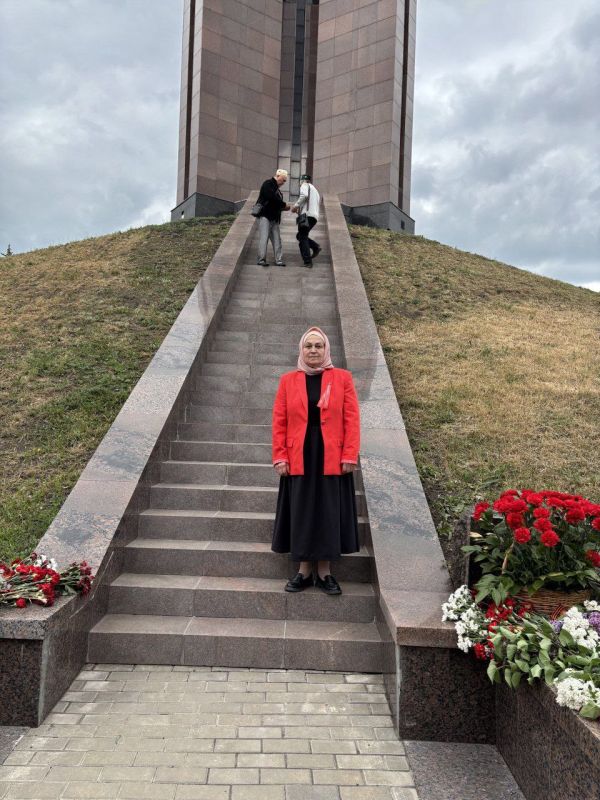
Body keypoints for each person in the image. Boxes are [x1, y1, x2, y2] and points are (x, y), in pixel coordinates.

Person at [271, 326, 361, 595]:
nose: (313, 350)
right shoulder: (288, 380)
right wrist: (279, 455)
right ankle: (303, 571)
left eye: (318, 346)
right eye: (308, 346)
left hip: (331, 455)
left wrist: (349, 454)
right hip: (299, 455)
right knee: (301, 511)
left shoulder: (342, 378)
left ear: (326, 349)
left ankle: (324, 572)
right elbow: (279, 421)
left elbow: (351, 419)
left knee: (328, 511)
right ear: (301, 349)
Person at [256, 169, 290, 267]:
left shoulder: (277, 189)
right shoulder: (268, 184)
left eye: (285, 181)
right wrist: (283, 204)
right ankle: (261, 259)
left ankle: (278, 260)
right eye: (283, 180)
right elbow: (270, 197)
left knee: (277, 239)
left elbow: (274, 203)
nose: (284, 182)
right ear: (278, 176)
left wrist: (283, 207)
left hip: (274, 218)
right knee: (264, 238)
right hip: (265, 216)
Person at [292, 174, 321, 268]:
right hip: (314, 217)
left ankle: (308, 261)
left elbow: (304, 195)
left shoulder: (305, 185)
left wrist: (295, 206)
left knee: (303, 237)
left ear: (302, 181)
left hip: (306, 216)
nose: (300, 184)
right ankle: (315, 247)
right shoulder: (315, 190)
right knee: (300, 235)